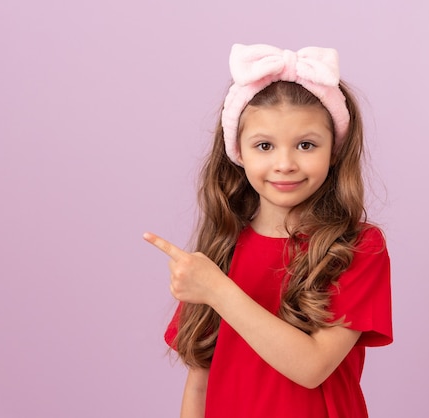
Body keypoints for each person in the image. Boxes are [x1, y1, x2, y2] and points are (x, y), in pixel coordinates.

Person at [143, 43, 393, 418]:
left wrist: (217, 291)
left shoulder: (357, 247)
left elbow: (311, 368)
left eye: (306, 145)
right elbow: (199, 382)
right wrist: (212, 284)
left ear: (334, 151)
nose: (285, 164)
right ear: (238, 152)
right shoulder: (221, 250)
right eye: (264, 146)